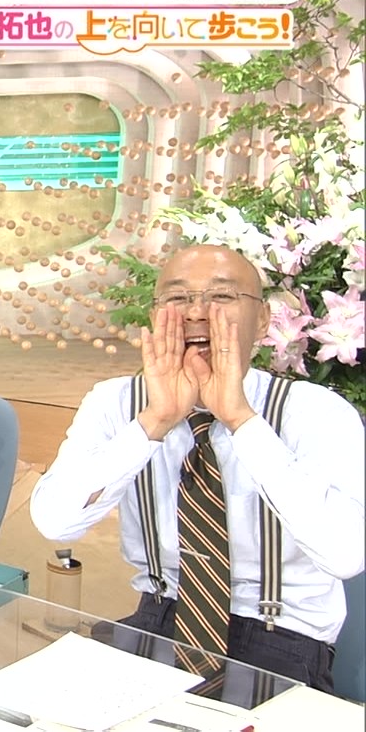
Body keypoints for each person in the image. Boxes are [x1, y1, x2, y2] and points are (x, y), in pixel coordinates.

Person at [31, 244, 364, 693]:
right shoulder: (117, 402)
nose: (196, 313)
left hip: (281, 637)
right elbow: (55, 522)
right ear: (155, 316)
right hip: (160, 613)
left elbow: (346, 555)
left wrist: (242, 421)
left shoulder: (314, 411)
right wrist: (154, 422)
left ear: (262, 320)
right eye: (178, 298)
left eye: (221, 297)